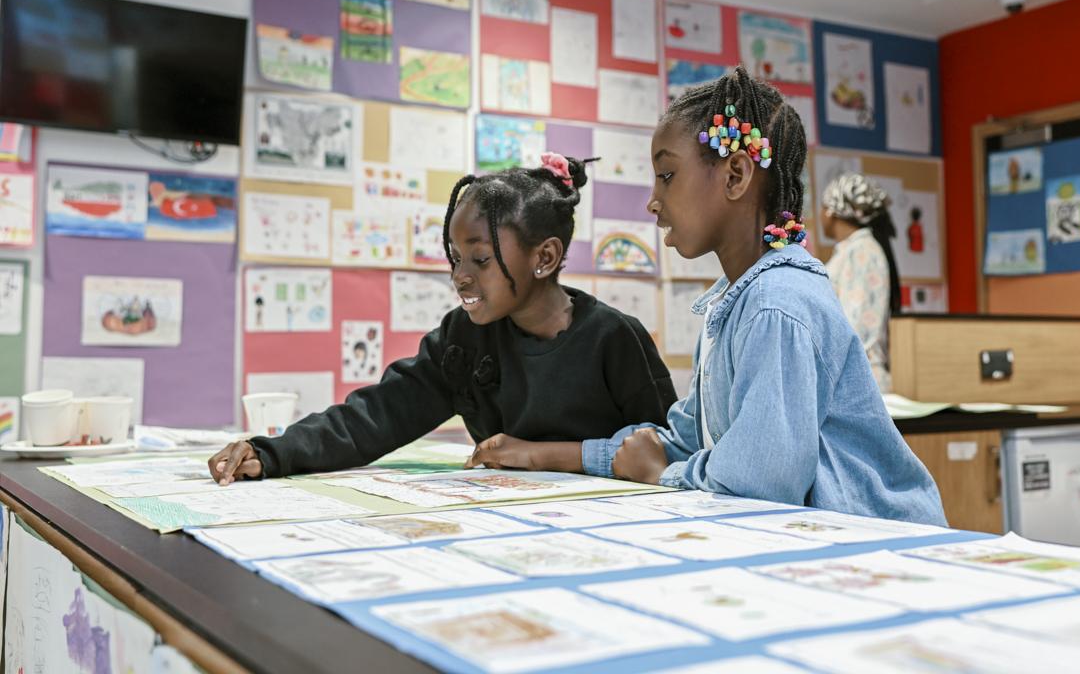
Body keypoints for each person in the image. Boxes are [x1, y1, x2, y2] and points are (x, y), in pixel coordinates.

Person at [469, 67, 944, 525]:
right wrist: (543, 454)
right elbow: (686, 439)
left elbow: (760, 481)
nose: (653, 201)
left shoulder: (777, 303)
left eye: (667, 176)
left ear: (735, 175)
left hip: (883, 544)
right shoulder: (732, 302)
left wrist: (660, 475)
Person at [209, 154, 675, 484]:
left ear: (545, 257)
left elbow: (667, 454)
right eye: (455, 259)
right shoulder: (465, 339)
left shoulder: (612, 338)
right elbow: (377, 415)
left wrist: (544, 457)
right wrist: (271, 453)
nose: (460, 277)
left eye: (480, 260)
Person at [820, 172, 902, 392]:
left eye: (822, 206)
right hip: (854, 378)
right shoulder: (852, 251)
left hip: (859, 383)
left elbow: (856, 325)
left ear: (832, 211)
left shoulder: (862, 253)